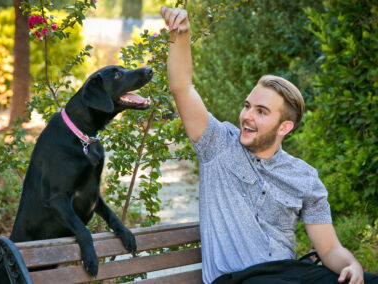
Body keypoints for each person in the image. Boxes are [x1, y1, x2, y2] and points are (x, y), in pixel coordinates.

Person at [160, 6, 378, 284]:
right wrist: (182, 34)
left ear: (284, 127)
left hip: (291, 273)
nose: (246, 116)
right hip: (237, 279)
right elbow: (183, 87)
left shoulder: (305, 177)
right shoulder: (217, 145)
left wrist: (352, 265)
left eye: (261, 112)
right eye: (247, 106)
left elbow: (329, 249)